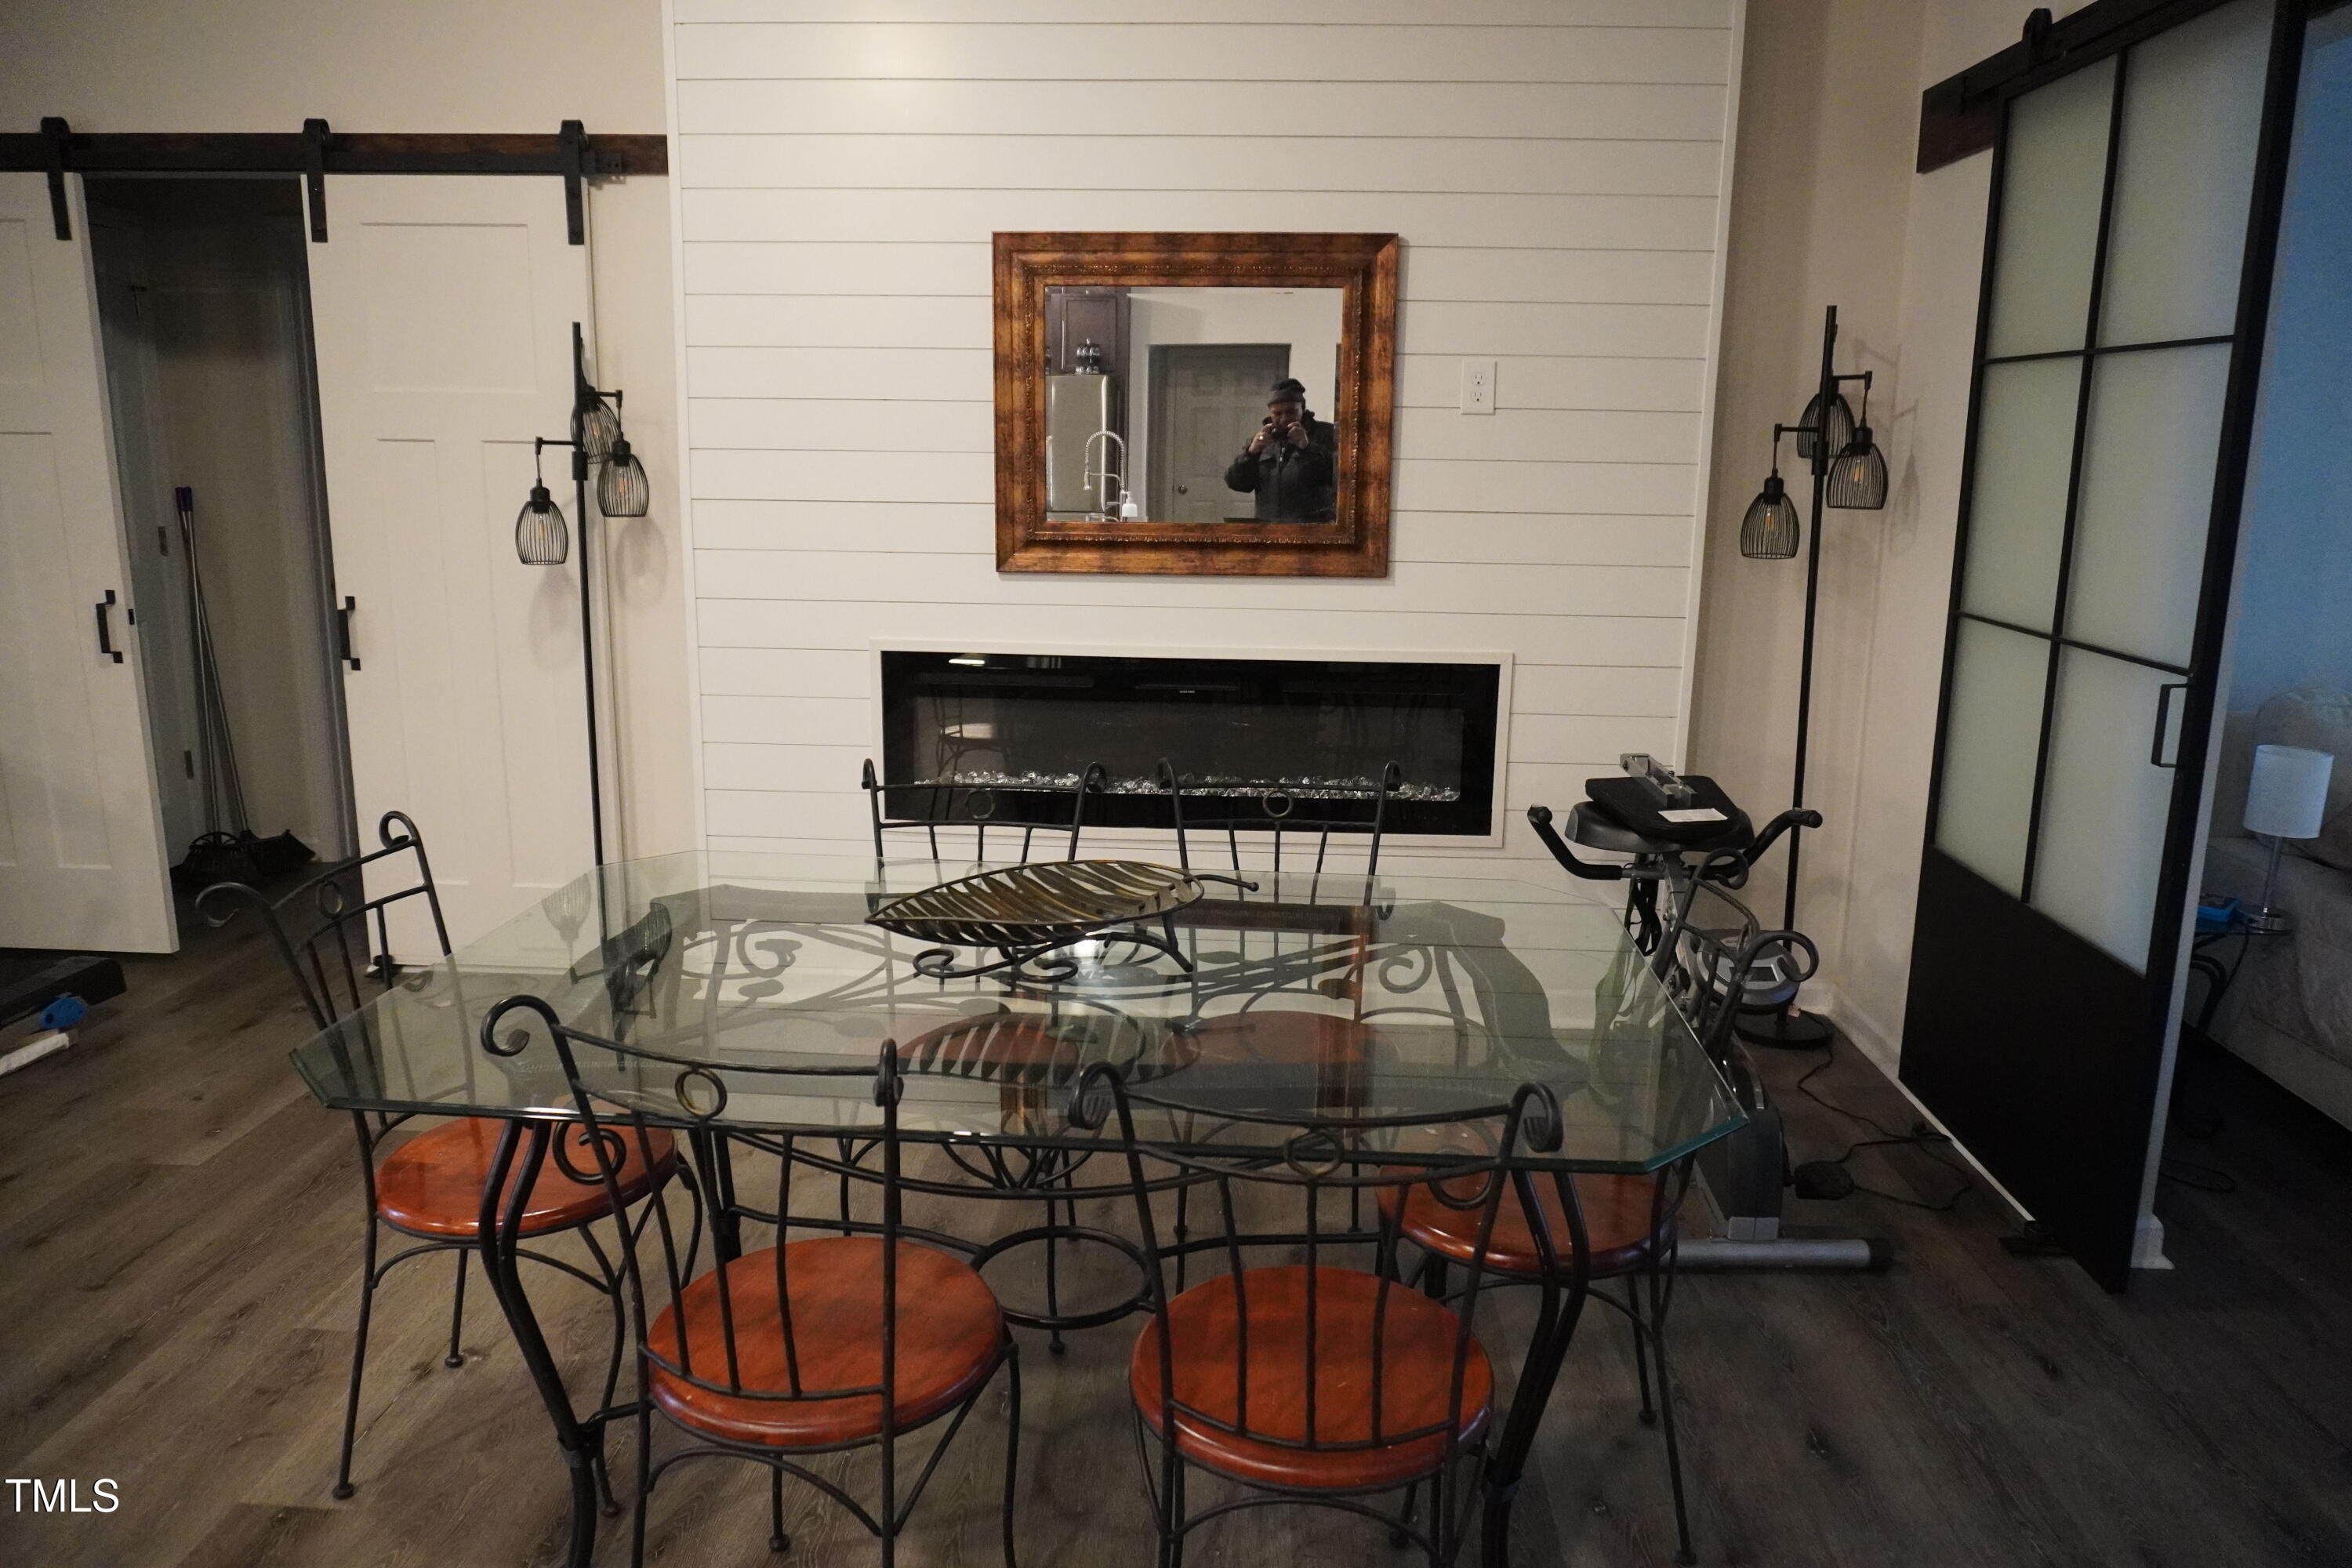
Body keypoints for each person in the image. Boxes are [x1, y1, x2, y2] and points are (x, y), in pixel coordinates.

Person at [1223, 378, 1338, 522]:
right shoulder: (1262, 439)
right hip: (1269, 531)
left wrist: (1307, 448)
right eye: (1277, 413)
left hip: (1311, 530)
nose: (1284, 418)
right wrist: (1251, 453)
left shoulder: (1326, 434)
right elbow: (1237, 484)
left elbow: (1337, 479)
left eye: (1291, 412)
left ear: (1303, 408)